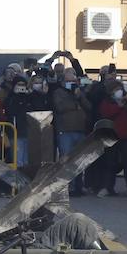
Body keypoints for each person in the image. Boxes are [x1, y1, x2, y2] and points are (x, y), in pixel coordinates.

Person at [96, 79, 127, 198]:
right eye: (116, 90)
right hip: (111, 135)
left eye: (120, 89)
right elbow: (106, 114)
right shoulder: (107, 102)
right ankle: (107, 187)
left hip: (126, 136)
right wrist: (119, 107)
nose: (119, 92)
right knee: (110, 162)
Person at [52, 68, 91, 197]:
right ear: (63, 81)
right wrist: (73, 102)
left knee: (79, 161)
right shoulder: (58, 92)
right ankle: (66, 187)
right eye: (69, 81)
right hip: (65, 130)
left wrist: (80, 96)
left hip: (80, 130)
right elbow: (60, 107)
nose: (72, 83)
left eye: (73, 81)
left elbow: (89, 107)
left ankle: (79, 186)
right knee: (66, 161)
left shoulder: (79, 92)